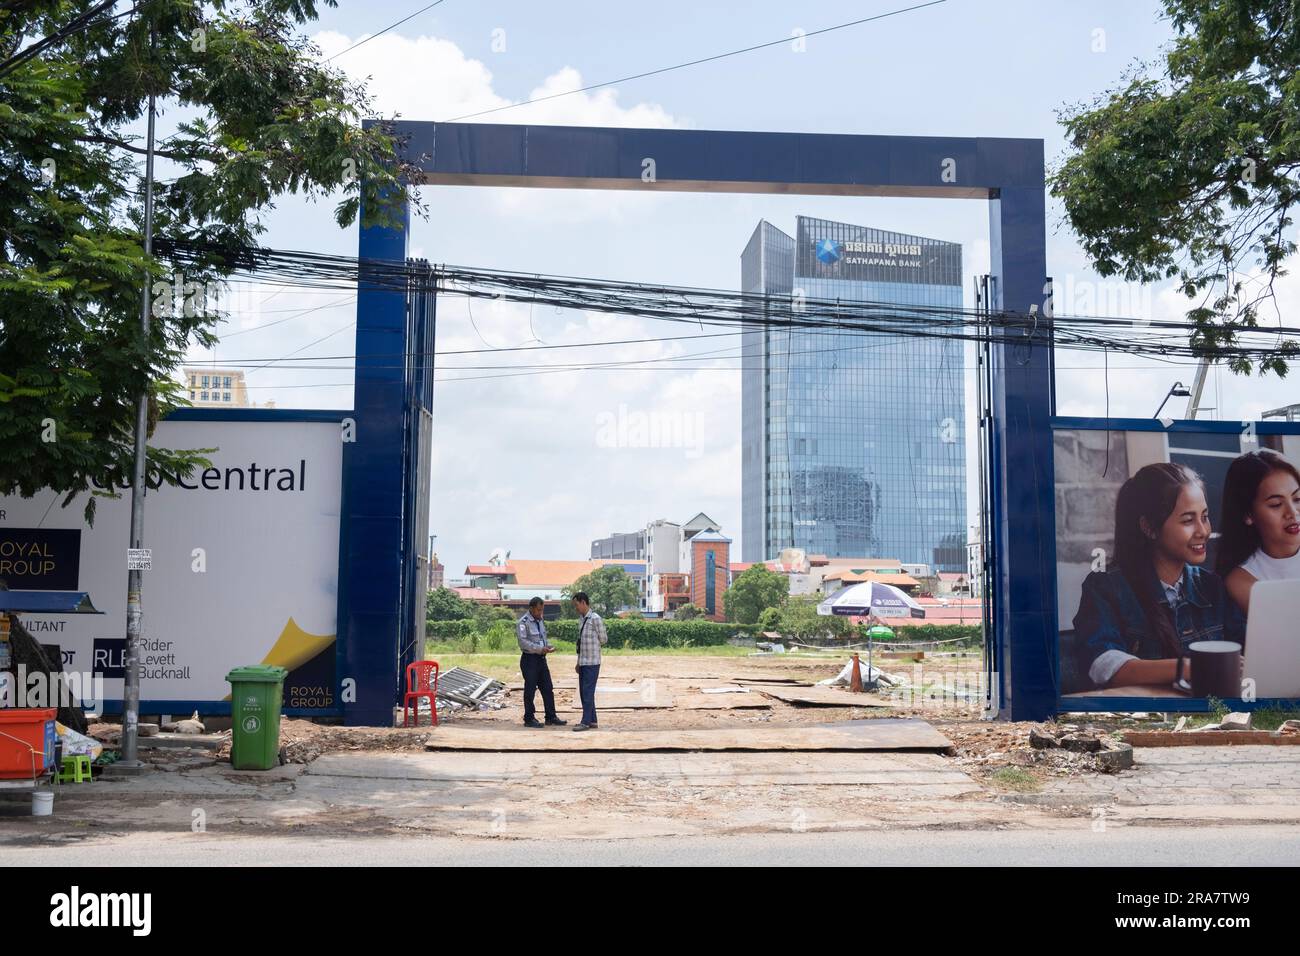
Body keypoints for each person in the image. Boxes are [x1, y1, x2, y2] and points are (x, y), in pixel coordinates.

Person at [1073, 461, 1244, 690]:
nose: (1203, 531)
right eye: (1188, 520)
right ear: (1149, 527)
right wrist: (1188, 668)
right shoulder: (1105, 587)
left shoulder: (1213, 586)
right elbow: (1102, 665)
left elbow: (1248, 652)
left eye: (1204, 516)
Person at [1217, 448, 1300, 614]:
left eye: (1297, 499)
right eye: (1276, 504)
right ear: (1248, 515)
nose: (1293, 512)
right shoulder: (1241, 580)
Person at [516, 597, 566, 728]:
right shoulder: (523, 622)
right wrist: (539, 649)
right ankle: (529, 718)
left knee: (548, 688)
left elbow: (542, 638)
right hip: (529, 660)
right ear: (531, 608)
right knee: (530, 689)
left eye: (542, 610)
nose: (540, 612)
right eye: (538, 610)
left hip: (541, 659)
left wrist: (548, 647)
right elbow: (523, 642)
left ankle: (551, 716)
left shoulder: (540, 621)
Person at [571, 591, 608, 731]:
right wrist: (578, 662)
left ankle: (585, 722)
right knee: (585, 692)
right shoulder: (581, 619)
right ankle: (592, 720)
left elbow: (604, 639)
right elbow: (580, 643)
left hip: (593, 662)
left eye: (576, 605)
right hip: (583, 662)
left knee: (587, 692)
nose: (576, 608)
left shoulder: (595, 619)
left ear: (583, 602)